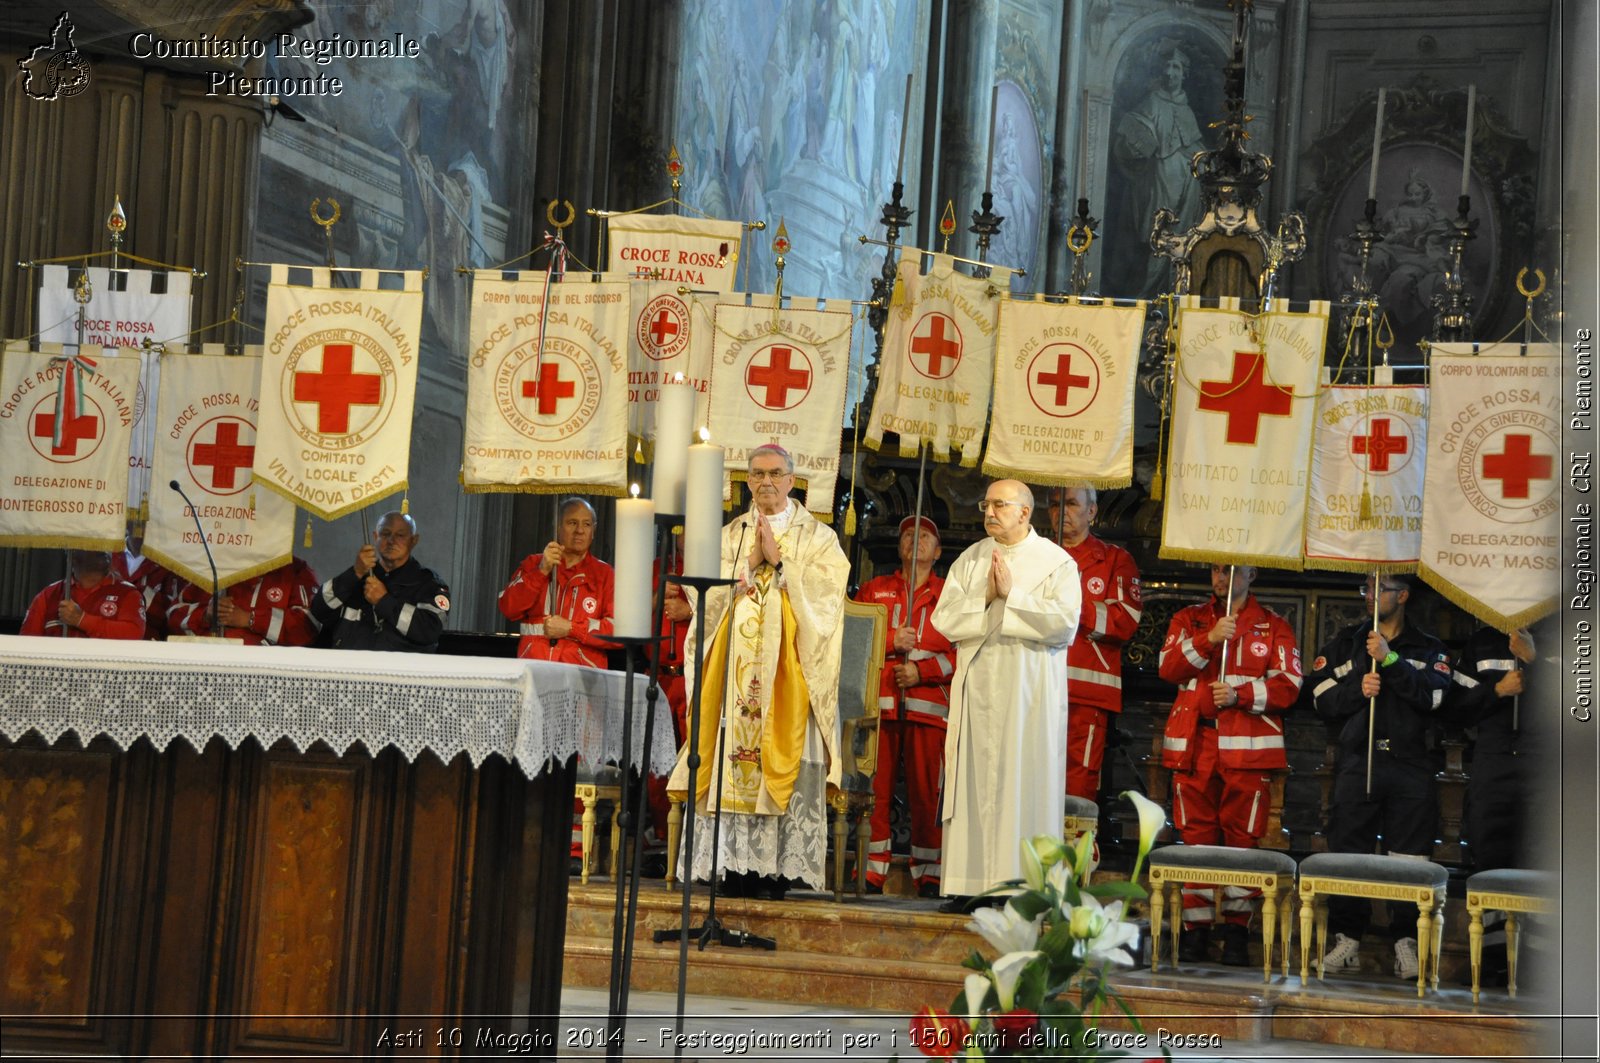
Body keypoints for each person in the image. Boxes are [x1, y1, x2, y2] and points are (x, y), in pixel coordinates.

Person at [667, 444, 849, 900]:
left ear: (792, 480)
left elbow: (828, 601)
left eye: (775, 473)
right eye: (756, 475)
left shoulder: (818, 538)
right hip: (733, 677)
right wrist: (752, 561)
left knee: (780, 753)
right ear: (746, 482)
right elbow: (700, 598)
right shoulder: (730, 535)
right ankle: (730, 863)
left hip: (789, 676)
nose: (765, 482)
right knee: (731, 751)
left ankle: (776, 869)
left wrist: (782, 562)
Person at [931, 479, 1080, 907]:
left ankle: (1023, 887)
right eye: (987, 504)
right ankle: (970, 883)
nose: (990, 511)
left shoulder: (1057, 563)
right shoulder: (972, 559)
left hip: (1027, 693)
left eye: (1000, 504)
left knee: (1022, 780)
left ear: (1024, 513)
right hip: (978, 690)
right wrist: (986, 594)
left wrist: (1012, 596)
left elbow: (1064, 624)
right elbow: (945, 620)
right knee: (974, 782)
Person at [1308, 573, 1451, 981]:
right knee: (1348, 850)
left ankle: (1405, 940)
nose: (1369, 596)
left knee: (1409, 856)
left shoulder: (1428, 646)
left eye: (1379, 589)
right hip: (1359, 758)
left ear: (1402, 595)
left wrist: (1391, 661)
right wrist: (1358, 688)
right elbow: (1318, 696)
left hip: (1410, 764)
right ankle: (1347, 938)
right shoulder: (1348, 642)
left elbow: (1437, 697)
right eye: (1365, 589)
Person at [1158, 564, 1301, 965]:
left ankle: (1236, 932)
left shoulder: (1272, 626)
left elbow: (1290, 684)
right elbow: (1167, 668)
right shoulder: (1189, 619)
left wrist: (1239, 694)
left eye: (1232, 571)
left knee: (1243, 842)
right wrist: (1208, 639)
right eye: (1217, 570)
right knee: (1196, 840)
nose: (1222, 578)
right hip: (1196, 744)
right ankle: (1195, 932)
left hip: (1248, 752)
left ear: (1252, 573)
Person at [854, 515, 956, 897]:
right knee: (871, 792)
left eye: (925, 535)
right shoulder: (874, 589)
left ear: (939, 550)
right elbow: (853, 639)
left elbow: (964, 654)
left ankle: (930, 875)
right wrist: (889, 640)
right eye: (909, 535)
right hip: (878, 709)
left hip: (929, 711)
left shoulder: (952, 596)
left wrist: (922, 672)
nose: (916, 541)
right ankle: (870, 871)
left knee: (929, 795)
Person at [1448, 623, 1546, 985]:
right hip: (1493, 761)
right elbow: (1454, 709)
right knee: (1488, 855)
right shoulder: (1483, 641)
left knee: (1541, 858)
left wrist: (1535, 661)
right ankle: (1489, 959)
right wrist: (1497, 691)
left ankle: (1538, 963)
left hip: (1546, 765)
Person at [1048, 486, 1143, 802]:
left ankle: (1075, 851)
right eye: (1054, 504)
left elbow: (1125, 620)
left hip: (1086, 693)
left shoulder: (1115, 559)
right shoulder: (1034, 555)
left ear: (1092, 512)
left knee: (1078, 781)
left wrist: (1073, 607)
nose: (1062, 511)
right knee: (1032, 777)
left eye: (1072, 503)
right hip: (1035, 688)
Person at [1113, 43, 1207, 294]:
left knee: (1176, 240)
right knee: (1156, 238)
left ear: (1183, 73)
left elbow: (1192, 143)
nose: (1170, 72)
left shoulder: (1185, 108)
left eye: (1175, 67)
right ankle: (1145, 294)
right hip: (1158, 183)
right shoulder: (1152, 101)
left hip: (1185, 188)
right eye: (1167, 66)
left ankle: (1166, 293)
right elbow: (1133, 134)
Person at [308, 511, 450, 653]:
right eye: (385, 533)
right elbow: (318, 610)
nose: (391, 541)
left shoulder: (429, 584)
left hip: (400, 672)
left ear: (414, 540)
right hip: (350, 669)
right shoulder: (357, 576)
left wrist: (384, 601)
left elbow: (429, 631)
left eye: (400, 535)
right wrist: (355, 573)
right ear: (375, 537)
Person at [497, 498, 615, 665]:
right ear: (557, 527)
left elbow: (618, 632)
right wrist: (542, 571)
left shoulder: (605, 575)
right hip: (535, 671)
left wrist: (572, 629)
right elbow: (508, 607)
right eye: (572, 523)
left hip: (582, 678)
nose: (580, 530)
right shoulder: (534, 564)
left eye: (587, 524)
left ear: (593, 530)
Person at [166, 558, 320, 646]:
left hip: (265, 679)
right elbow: (172, 615)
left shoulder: (296, 570)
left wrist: (250, 619)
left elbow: (307, 627)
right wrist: (205, 615)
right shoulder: (210, 564)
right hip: (204, 671)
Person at [21, 549, 145, 640]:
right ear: (72, 553)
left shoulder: (128, 593)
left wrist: (82, 620)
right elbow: (26, 642)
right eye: (93, 542)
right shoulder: (48, 595)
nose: (103, 547)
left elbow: (133, 634)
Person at [112, 519, 172, 640]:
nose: (140, 527)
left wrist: (136, 593)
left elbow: (170, 614)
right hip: (107, 636)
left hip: (148, 642)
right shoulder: (107, 555)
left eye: (146, 521)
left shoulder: (168, 562)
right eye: (135, 519)